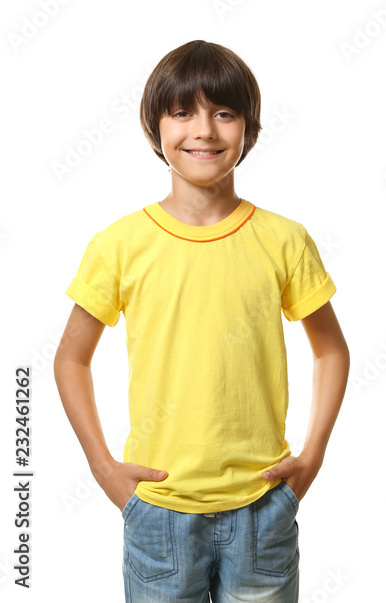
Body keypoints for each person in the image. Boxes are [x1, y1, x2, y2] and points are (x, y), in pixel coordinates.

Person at [53, 40, 349, 602]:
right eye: (183, 112)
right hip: (159, 513)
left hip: (263, 508)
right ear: (155, 128)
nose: (204, 131)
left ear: (248, 128)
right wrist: (103, 467)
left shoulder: (283, 239)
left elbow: (332, 349)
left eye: (224, 113)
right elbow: (70, 358)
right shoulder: (119, 244)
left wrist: (311, 458)